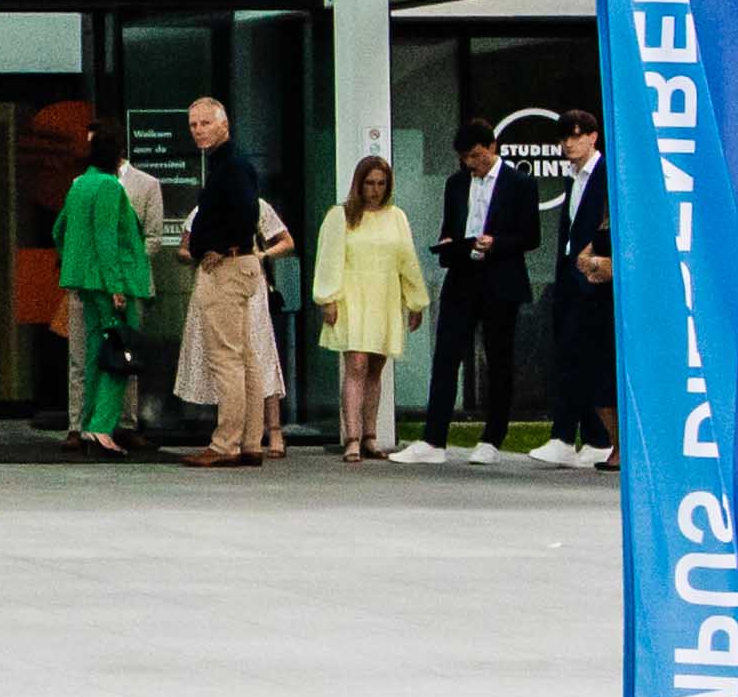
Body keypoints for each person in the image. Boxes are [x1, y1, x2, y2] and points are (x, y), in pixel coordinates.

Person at [404, 122, 539, 466]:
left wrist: (497, 243)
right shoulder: (456, 183)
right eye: (465, 158)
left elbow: (531, 236)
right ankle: (434, 439)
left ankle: (493, 437)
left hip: (500, 279)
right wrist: (449, 244)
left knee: (498, 359)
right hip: (463, 277)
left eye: (476, 156)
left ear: (492, 147)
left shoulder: (520, 183)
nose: (471, 164)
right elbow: (450, 227)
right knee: (446, 356)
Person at [171, 94, 282, 466]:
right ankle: (250, 442)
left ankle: (226, 444)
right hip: (240, 264)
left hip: (229, 269)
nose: (198, 130)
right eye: (193, 125)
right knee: (245, 357)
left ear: (224, 124)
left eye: (205, 123)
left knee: (227, 358)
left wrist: (219, 246)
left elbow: (246, 213)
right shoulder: (230, 165)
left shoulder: (231, 166)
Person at [311, 155, 430, 464]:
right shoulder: (341, 215)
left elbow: (408, 261)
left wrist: (415, 301)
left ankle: (370, 436)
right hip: (352, 297)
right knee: (356, 364)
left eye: (381, 184)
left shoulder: (396, 217)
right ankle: (352, 437)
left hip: (384, 297)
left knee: (376, 367)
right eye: (369, 183)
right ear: (359, 184)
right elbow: (328, 259)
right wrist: (327, 299)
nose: (375, 190)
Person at [53, 126, 153, 458]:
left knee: (94, 353)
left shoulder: (79, 185)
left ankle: (86, 425)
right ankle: (101, 426)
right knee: (121, 351)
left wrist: (74, 262)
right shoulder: (110, 186)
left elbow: (59, 230)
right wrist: (115, 286)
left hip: (83, 281)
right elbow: (107, 237)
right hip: (113, 280)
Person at [535, 122, 617, 467]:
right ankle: (569, 436)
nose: (568, 143)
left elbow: (608, 223)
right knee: (570, 354)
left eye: (575, 136)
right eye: (564, 138)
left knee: (592, 357)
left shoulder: (607, 173)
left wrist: (594, 257)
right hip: (573, 274)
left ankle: (595, 438)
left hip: (598, 277)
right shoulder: (573, 177)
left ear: (593, 137)